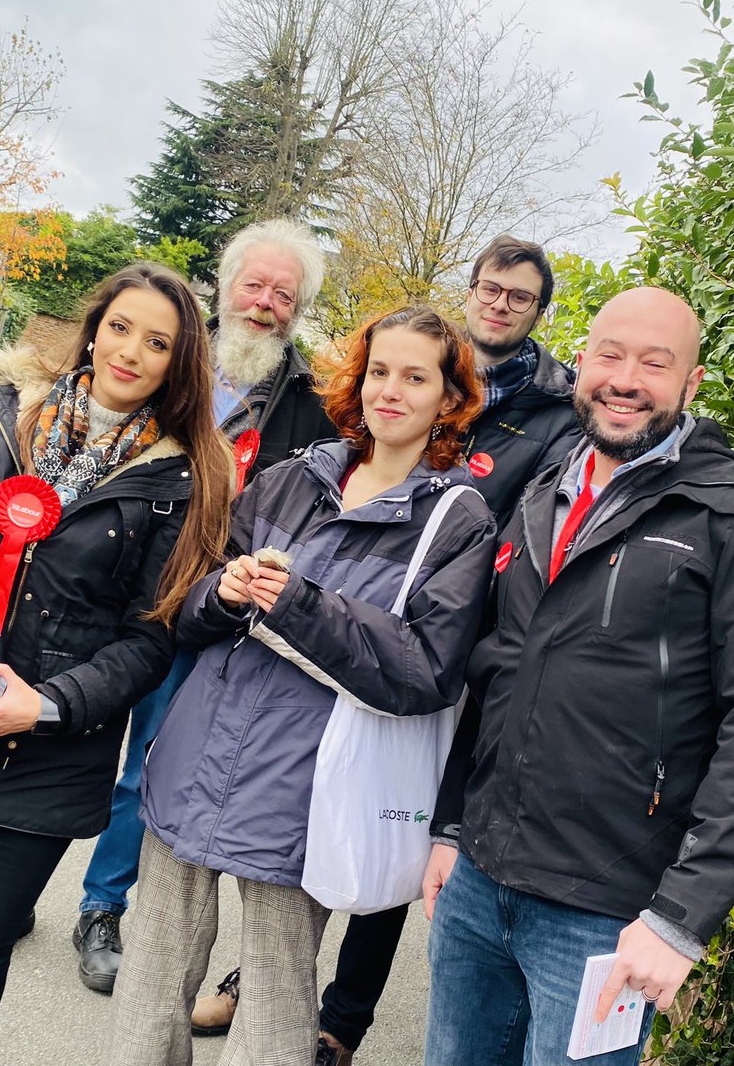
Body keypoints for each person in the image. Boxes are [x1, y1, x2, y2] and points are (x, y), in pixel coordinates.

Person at [193, 233, 582, 1063]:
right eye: (489, 287)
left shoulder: (556, 411)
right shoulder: (416, 364)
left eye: (519, 295)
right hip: (371, 598)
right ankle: (260, 978)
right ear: (471, 292)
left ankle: (342, 1016)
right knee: (309, 805)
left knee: (383, 814)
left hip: (462, 617)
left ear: (538, 310)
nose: (500, 302)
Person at [106, 305, 498, 1066]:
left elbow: (424, 672)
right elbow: (182, 612)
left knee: (276, 1005)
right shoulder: (291, 479)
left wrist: (296, 602)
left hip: (307, 796)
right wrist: (223, 593)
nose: (391, 391)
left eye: (415, 377)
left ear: (449, 399)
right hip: (193, 765)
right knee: (151, 984)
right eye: (379, 371)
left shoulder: (457, 521)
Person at [423, 287, 734, 1066]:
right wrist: (451, 824)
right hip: (477, 887)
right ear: (581, 365)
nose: (626, 379)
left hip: (606, 913)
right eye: (611, 355)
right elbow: (497, 668)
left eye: (655, 363)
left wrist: (680, 919)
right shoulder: (543, 489)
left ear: (691, 384)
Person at [0, 261, 234, 1066]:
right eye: (120, 327)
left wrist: (43, 706)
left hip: (48, 760)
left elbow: (151, 639)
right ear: (94, 327)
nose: (131, 352)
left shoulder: (184, 479)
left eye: (158, 342)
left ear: (178, 361)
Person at [73, 219, 334, 992]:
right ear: (224, 286)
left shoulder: (311, 405)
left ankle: (101, 908)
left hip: (198, 610)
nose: (265, 302)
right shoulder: (167, 359)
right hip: (108, 583)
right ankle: (11, 873)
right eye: (254, 284)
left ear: (299, 308)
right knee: (60, 737)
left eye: (284, 294)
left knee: (143, 766)